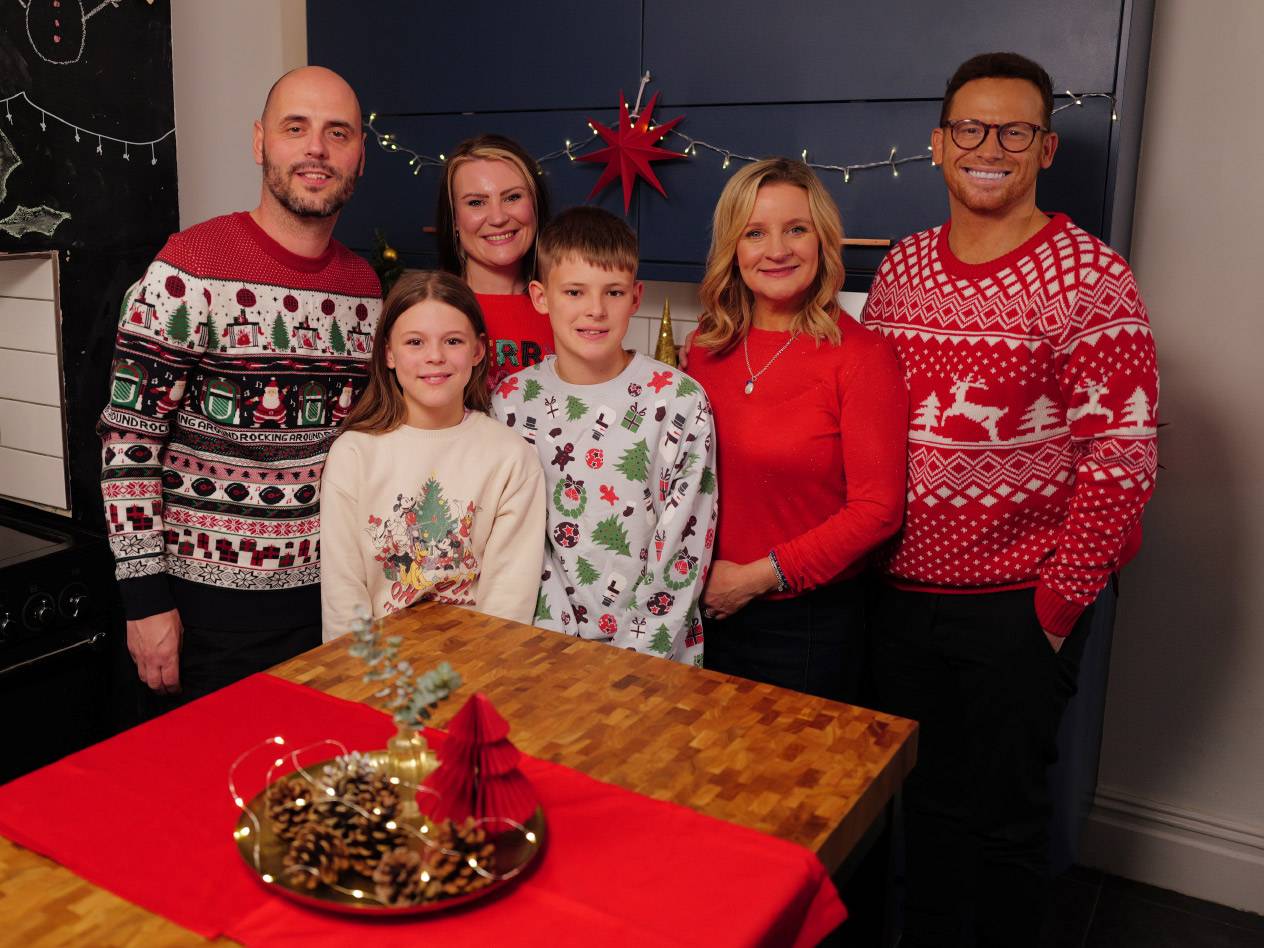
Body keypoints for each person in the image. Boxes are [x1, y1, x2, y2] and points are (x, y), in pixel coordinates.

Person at [861, 52, 1159, 947]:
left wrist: (1058, 606)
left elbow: (1124, 450)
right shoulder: (904, 266)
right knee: (923, 815)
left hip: (1014, 609)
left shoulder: (1088, 277)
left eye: (1014, 130)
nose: (990, 147)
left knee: (1003, 827)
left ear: (1045, 149)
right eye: (971, 128)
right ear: (938, 144)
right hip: (896, 599)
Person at [97, 66, 381, 706]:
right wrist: (144, 603)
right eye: (295, 128)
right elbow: (128, 446)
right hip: (206, 622)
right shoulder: (187, 271)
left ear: (360, 155)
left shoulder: (365, 290)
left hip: (331, 613)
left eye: (338, 133)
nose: (316, 148)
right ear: (260, 143)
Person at [685, 158, 907, 702]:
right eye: (755, 232)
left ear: (824, 241)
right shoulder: (704, 349)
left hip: (804, 627)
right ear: (733, 251)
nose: (777, 249)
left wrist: (756, 578)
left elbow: (878, 509)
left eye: (796, 229)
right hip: (698, 613)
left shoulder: (861, 357)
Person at [493, 207, 716, 665]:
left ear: (636, 297)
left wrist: (634, 657)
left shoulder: (678, 401)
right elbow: (519, 539)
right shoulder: (513, 401)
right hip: (545, 650)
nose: (595, 310)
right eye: (574, 291)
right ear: (541, 296)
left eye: (612, 292)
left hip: (657, 656)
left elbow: (683, 546)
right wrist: (557, 642)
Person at [320, 271, 545, 637]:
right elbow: (342, 597)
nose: (435, 357)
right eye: (415, 342)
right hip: (375, 671)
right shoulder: (354, 455)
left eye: (453, 340)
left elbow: (509, 603)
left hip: (477, 667)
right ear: (389, 354)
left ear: (478, 350)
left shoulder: (510, 457)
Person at [436, 134, 554, 390]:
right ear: (455, 219)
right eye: (476, 202)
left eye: (512, 197)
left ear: (535, 205)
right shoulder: (428, 309)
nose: (498, 217)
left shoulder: (567, 306)